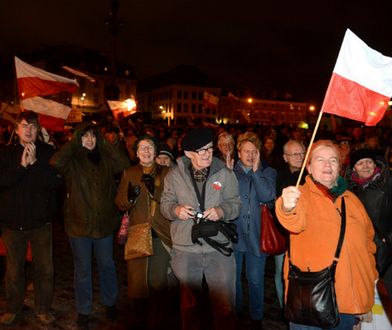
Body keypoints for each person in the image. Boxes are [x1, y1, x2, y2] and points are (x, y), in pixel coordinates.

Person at [275, 140, 377, 330]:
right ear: (309, 167)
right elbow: (293, 221)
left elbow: (369, 246)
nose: (327, 165)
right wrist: (286, 207)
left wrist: (367, 290)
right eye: (320, 159)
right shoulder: (301, 196)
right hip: (311, 300)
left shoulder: (352, 200)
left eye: (333, 160)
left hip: (347, 304)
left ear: (340, 166)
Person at [160, 127, 241, 330]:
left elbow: (236, 204)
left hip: (218, 249)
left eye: (210, 149)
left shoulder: (224, 173)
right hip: (186, 249)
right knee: (190, 307)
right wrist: (175, 209)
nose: (208, 154)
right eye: (201, 150)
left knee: (224, 306)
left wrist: (221, 211)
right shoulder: (173, 175)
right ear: (188, 153)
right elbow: (165, 204)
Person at [50, 122, 129, 329]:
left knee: (107, 265)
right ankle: (83, 310)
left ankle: (110, 302)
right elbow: (55, 161)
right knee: (83, 269)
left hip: (103, 223)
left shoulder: (106, 158)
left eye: (93, 136)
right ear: (78, 139)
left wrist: (105, 143)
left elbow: (123, 163)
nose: (89, 139)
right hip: (78, 225)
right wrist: (73, 143)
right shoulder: (72, 160)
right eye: (84, 136)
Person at [0, 111, 63, 325]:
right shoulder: (6, 153)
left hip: (40, 224)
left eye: (33, 127)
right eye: (24, 126)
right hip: (13, 223)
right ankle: (12, 308)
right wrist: (22, 167)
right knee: (14, 271)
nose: (28, 130)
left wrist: (35, 164)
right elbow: (3, 182)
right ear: (16, 129)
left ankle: (43, 308)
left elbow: (55, 183)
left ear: (38, 130)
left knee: (45, 269)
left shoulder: (47, 152)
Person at [115, 135, 172, 329]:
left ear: (155, 152)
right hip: (138, 234)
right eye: (142, 148)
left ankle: (157, 322)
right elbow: (119, 202)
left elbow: (173, 201)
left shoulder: (167, 173)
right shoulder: (129, 173)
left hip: (160, 234)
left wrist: (153, 190)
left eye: (150, 147)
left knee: (158, 282)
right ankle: (137, 321)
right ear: (137, 152)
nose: (146, 151)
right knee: (137, 283)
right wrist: (129, 199)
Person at [232, 132, 276, 329]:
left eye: (254, 151)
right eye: (246, 151)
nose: (250, 155)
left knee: (255, 279)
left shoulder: (268, 172)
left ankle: (256, 317)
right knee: (233, 279)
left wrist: (256, 171)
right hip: (234, 234)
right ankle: (237, 312)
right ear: (238, 152)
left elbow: (267, 196)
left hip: (258, 236)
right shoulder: (229, 172)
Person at [345, 148, 392, 319]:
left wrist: (388, 238)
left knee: (382, 290)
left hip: (384, 249)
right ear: (354, 168)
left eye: (369, 162)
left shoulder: (388, 183)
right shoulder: (347, 188)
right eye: (360, 163)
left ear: (375, 164)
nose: (365, 166)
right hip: (357, 249)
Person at [274, 139, 306, 309]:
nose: (300, 157)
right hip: (284, 235)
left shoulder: (312, 175)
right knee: (282, 274)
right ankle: (284, 308)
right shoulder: (279, 176)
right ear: (285, 158)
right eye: (295, 154)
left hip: (306, 235)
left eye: (302, 153)